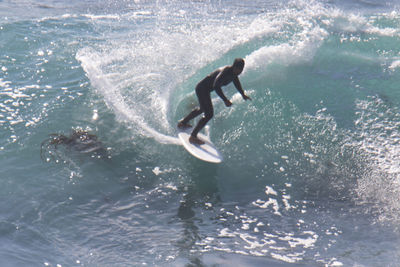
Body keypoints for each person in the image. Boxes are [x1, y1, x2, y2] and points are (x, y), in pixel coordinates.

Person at [177, 58, 251, 145]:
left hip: (205, 90)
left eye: (241, 70)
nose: (240, 72)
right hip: (202, 89)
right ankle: (193, 136)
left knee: (202, 109)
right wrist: (225, 100)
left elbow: (236, 83)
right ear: (234, 67)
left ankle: (183, 123)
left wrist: (242, 94)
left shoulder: (234, 74)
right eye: (239, 69)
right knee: (209, 114)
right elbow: (216, 85)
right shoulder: (226, 71)